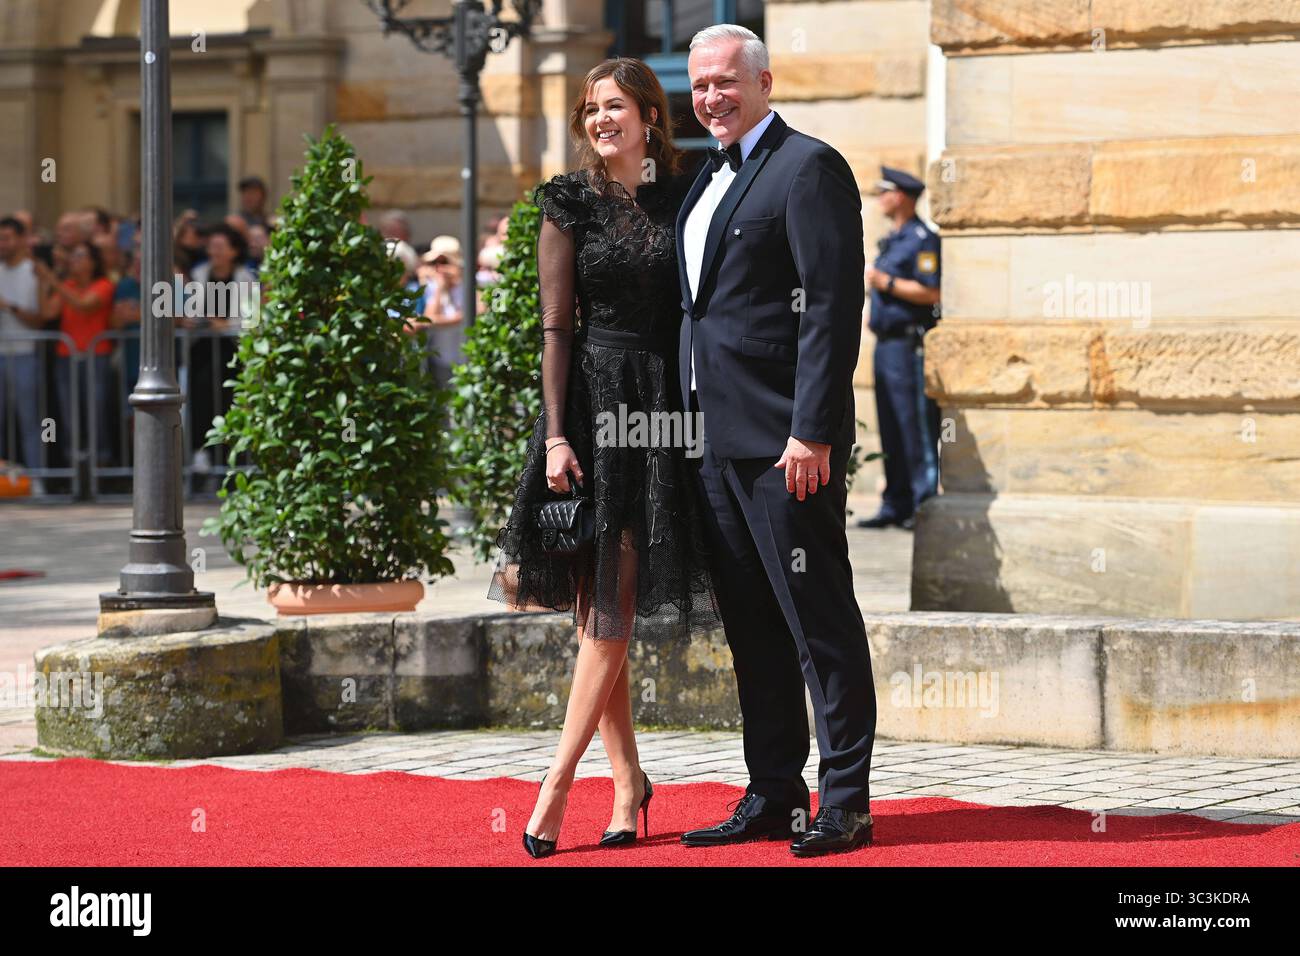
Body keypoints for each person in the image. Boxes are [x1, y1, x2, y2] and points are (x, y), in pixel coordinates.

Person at [485, 56, 721, 859]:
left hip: (661, 409)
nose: (599, 120)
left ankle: (560, 784)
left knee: (609, 608)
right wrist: (555, 435)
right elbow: (555, 324)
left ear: (650, 115)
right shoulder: (567, 199)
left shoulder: (690, 194)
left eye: (613, 106)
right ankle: (624, 783)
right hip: (588, 405)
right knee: (600, 607)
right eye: (590, 108)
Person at [675, 24, 876, 857]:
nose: (711, 98)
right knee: (751, 627)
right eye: (699, 87)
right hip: (710, 443)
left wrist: (812, 431)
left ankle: (847, 802)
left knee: (816, 622)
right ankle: (771, 792)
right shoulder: (701, 177)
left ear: (763, 81)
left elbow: (832, 307)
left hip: (784, 445)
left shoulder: (809, 167)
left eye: (725, 82)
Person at [856, 166, 942, 530]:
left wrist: (884, 281)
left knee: (915, 427)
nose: (879, 197)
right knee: (890, 425)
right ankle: (896, 503)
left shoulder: (923, 238)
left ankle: (922, 505)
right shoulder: (893, 238)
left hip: (911, 345)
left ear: (902, 196)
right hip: (887, 345)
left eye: (884, 191)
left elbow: (932, 291)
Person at [37, 240, 115, 467]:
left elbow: (84, 305)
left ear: (93, 263)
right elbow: (47, 312)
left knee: (96, 414)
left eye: (81, 256)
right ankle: (75, 465)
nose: (74, 261)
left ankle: (101, 463)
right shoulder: (67, 284)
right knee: (68, 414)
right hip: (67, 358)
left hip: (96, 357)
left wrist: (52, 279)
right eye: (73, 256)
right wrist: (46, 282)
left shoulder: (104, 285)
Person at [185, 224, 255, 476]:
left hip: (231, 350)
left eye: (219, 247)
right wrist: (193, 320)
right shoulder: (199, 273)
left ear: (233, 251)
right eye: (211, 246)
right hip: (202, 350)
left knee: (229, 402)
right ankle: (201, 452)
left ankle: (230, 458)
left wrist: (224, 325)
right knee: (201, 399)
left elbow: (251, 319)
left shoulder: (246, 278)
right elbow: (190, 309)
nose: (213, 251)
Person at [0, 216, 44, 480]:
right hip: (0, 353)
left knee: (29, 420)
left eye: (6, 238)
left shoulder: (33, 271)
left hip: (26, 353)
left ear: (21, 240)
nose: (2, 244)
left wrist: (9, 307)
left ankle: (37, 479)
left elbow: (40, 319)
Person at [415, 236, 466, 391]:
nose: (439, 268)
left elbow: (472, 315)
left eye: (444, 262)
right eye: (434, 263)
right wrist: (440, 289)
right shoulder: (430, 288)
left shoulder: (469, 287)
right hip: (439, 363)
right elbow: (427, 320)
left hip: (466, 361)